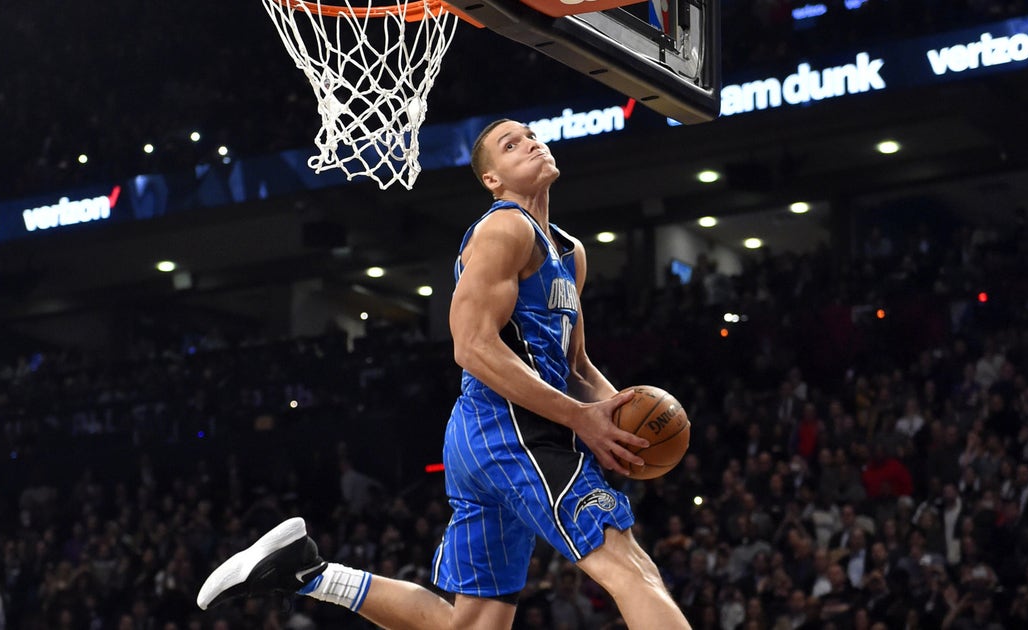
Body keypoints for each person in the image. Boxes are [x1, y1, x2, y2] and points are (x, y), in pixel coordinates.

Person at [195, 119, 690, 629]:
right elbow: (472, 345)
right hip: (514, 427)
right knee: (631, 568)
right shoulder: (504, 227)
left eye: (531, 135)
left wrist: (619, 424)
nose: (530, 144)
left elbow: (577, 365)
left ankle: (308, 572)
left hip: (486, 437)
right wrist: (581, 418)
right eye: (510, 144)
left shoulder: (569, 252)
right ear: (492, 180)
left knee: (474, 623)